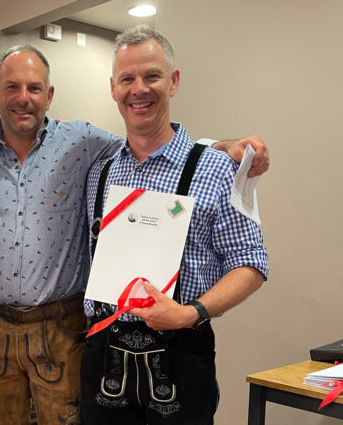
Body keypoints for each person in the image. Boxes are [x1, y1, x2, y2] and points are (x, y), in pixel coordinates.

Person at [0, 45, 269, 425]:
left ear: (49, 95)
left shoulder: (84, 144)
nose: (23, 98)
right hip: (45, 337)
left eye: (34, 88)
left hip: (90, 332)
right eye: (11, 87)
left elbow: (151, 143)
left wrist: (217, 149)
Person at [80, 26, 269, 424]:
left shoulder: (217, 169)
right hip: (104, 352)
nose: (139, 89)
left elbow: (251, 263)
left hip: (182, 352)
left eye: (152, 76)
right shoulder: (100, 172)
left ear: (174, 81)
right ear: (113, 88)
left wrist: (191, 312)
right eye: (127, 79)